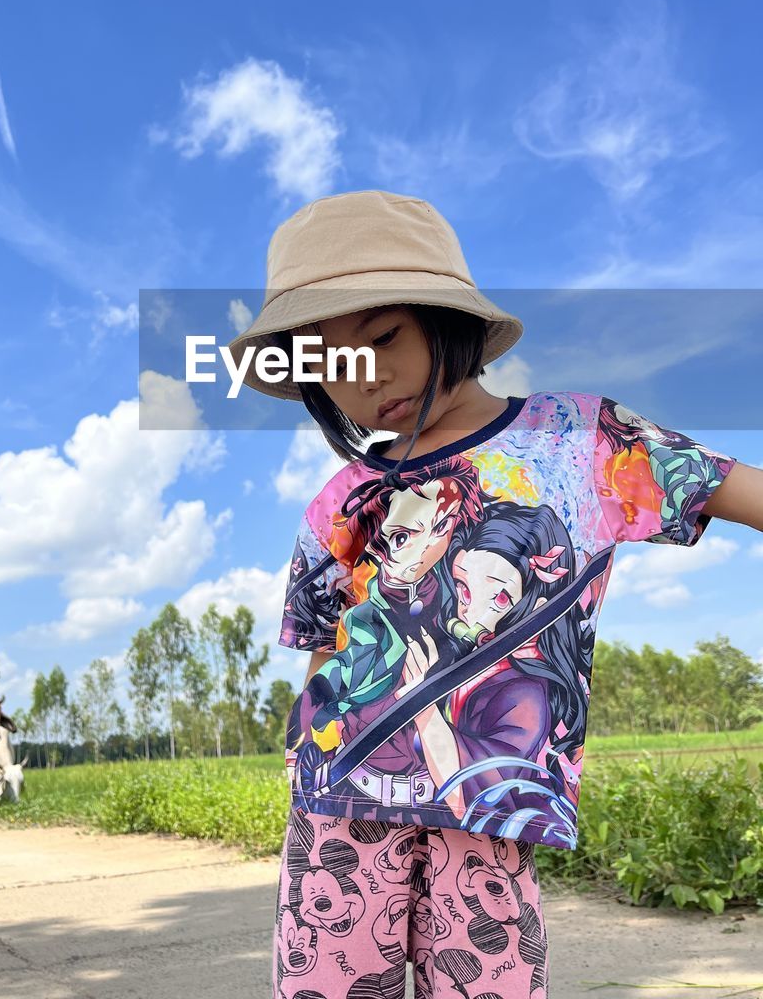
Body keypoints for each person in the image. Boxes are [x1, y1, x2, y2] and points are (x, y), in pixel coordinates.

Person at [226, 189, 763, 999]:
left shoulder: (581, 441)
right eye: (333, 365)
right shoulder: (341, 501)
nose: (368, 380)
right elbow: (323, 656)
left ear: (450, 321)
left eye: (384, 338)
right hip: (338, 815)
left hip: (486, 814)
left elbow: (736, 488)